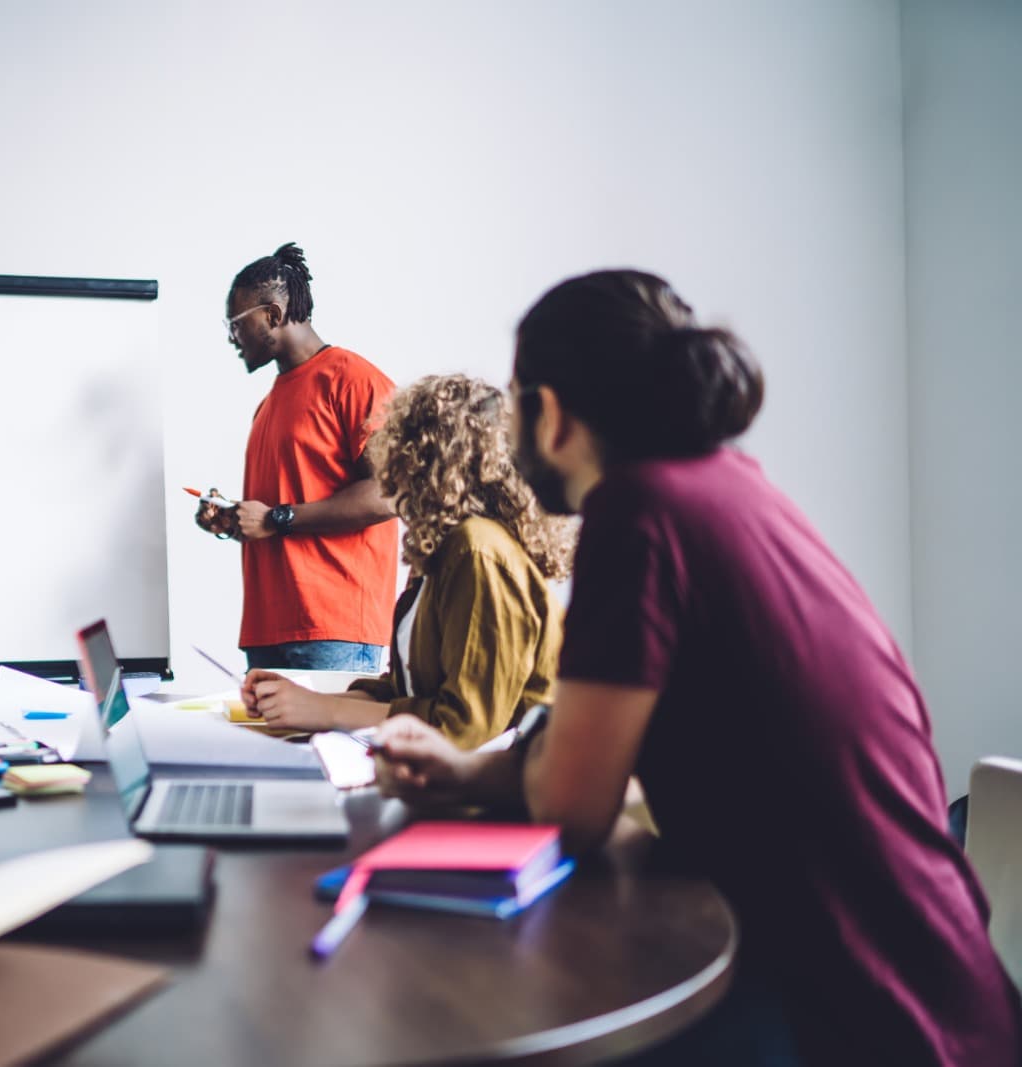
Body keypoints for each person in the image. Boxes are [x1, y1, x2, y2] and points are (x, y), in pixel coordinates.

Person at [371, 269, 1021, 1066]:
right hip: (936, 990)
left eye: (514, 401)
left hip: (866, 1018)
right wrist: (465, 773)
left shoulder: (638, 514)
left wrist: (489, 774)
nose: (506, 429)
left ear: (554, 412)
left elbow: (571, 806)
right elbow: (586, 761)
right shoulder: (729, 489)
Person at [239, 374, 572, 747]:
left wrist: (325, 711)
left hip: (500, 784)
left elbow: (465, 726)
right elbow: (402, 693)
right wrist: (304, 702)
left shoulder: (477, 550)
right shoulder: (442, 551)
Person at [195, 242, 398, 671]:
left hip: (332, 631)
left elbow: (390, 494)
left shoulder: (354, 379)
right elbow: (287, 505)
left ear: (273, 315)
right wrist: (236, 519)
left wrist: (274, 519)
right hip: (269, 629)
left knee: (330, 744)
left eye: (236, 324)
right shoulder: (269, 403)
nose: (232, 337)